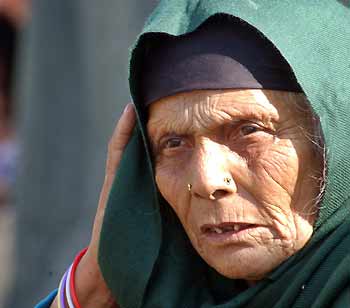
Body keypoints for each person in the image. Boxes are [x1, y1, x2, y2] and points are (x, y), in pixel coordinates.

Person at [37, 1, 350, 307]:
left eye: (249, 131)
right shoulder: (165, 291)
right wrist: (94, 286)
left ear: (337, 134)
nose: (206, 180)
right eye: (173, 144)